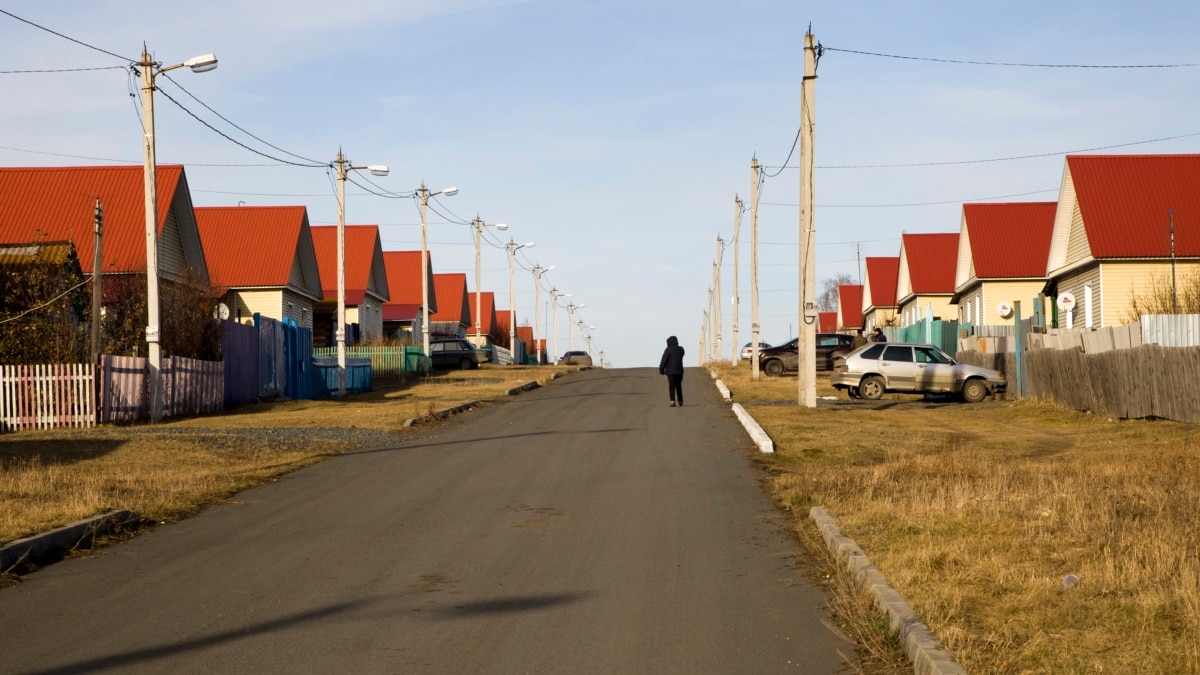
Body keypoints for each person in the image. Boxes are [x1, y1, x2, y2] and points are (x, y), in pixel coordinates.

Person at [659, 335, 686, 407]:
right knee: (678, 385)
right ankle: (680, 401)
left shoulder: (668, 350)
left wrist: (661, 370)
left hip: (670, 372)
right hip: (679, 371)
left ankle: (672, 401)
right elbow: (682, 355)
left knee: (672, 386)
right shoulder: (681, 349)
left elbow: (663, 360)